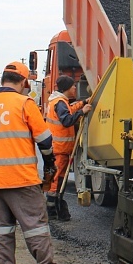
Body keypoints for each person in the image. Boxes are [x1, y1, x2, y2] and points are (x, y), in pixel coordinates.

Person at [0, 61, 77, 264]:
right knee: (35, 225)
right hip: (21, 178)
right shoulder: (24, 104)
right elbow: (45, 139)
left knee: (1, 228)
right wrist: (49, 161)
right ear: (23, 82)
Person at [44, 75, 92, 221]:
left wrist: (82, 103)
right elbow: (67, 120)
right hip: (59, 149)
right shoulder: (59, 103)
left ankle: (52, 209)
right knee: (55, 181)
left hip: (58, 149)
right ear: (66, 88)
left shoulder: (59, 101)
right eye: (73, 86)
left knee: (54, 179)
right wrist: (82, 112)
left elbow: (69, 110)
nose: (75, 88)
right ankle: (51, 210)